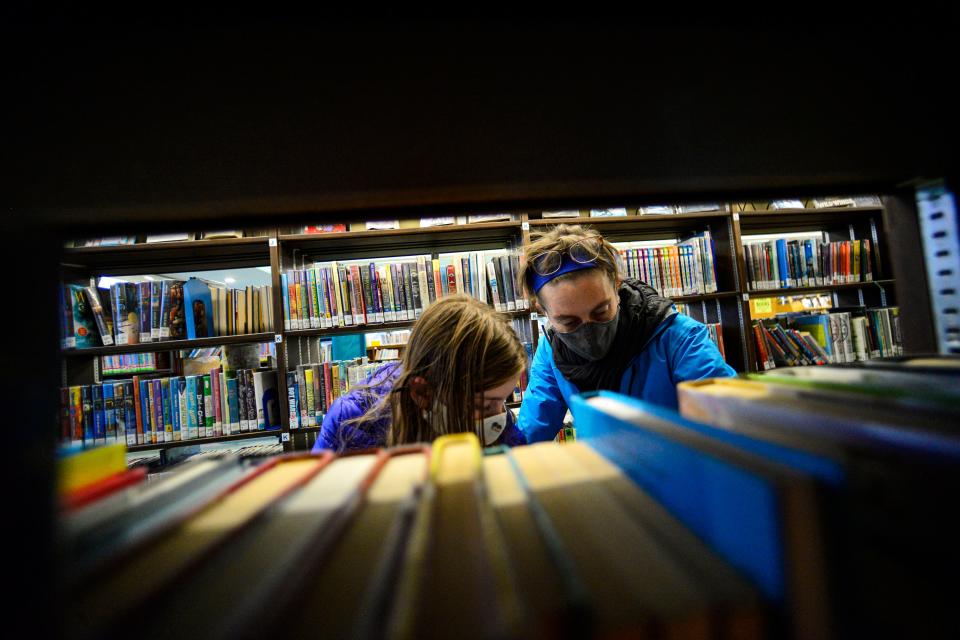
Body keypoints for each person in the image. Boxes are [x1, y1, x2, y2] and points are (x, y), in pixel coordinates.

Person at [517, 224, 735, 443]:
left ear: (617, 286)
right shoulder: (551, 350)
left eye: (601, 312)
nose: (589, 332)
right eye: (569, 322)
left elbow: (734, 420)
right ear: (543, 311)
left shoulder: (678, 337)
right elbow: (530, 432)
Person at [312, 295, 528, 452]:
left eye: (503, 401)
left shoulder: (494, 415)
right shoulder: (350, 425)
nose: (500, 417)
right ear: (422, 393)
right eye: (484, 405)